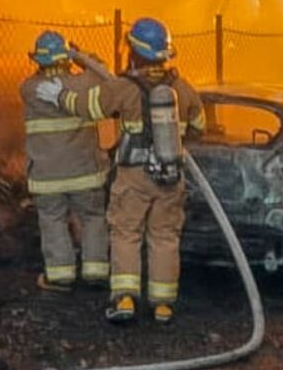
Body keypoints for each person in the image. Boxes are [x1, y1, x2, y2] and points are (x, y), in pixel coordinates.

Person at [35, 18, 205, 323]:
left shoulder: (123, 88)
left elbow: (88, 107)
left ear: (135, 53)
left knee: (126, 234)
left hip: (134, 177)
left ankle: (125, 300)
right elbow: (200, 126)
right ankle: (163, 305)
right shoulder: (183, 88)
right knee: (164, 237)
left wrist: (58, 96)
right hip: (171, 177)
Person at [20, 30, 111, 291]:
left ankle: (60, 275)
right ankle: (96, 270)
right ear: (65, 58)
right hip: (85, 173)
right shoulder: (85, 84)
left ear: (38, 60)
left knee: (52, 220)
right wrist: (80, 56)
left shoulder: (29, 89)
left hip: (47, 178)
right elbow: (105, 73)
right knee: (93, 217)